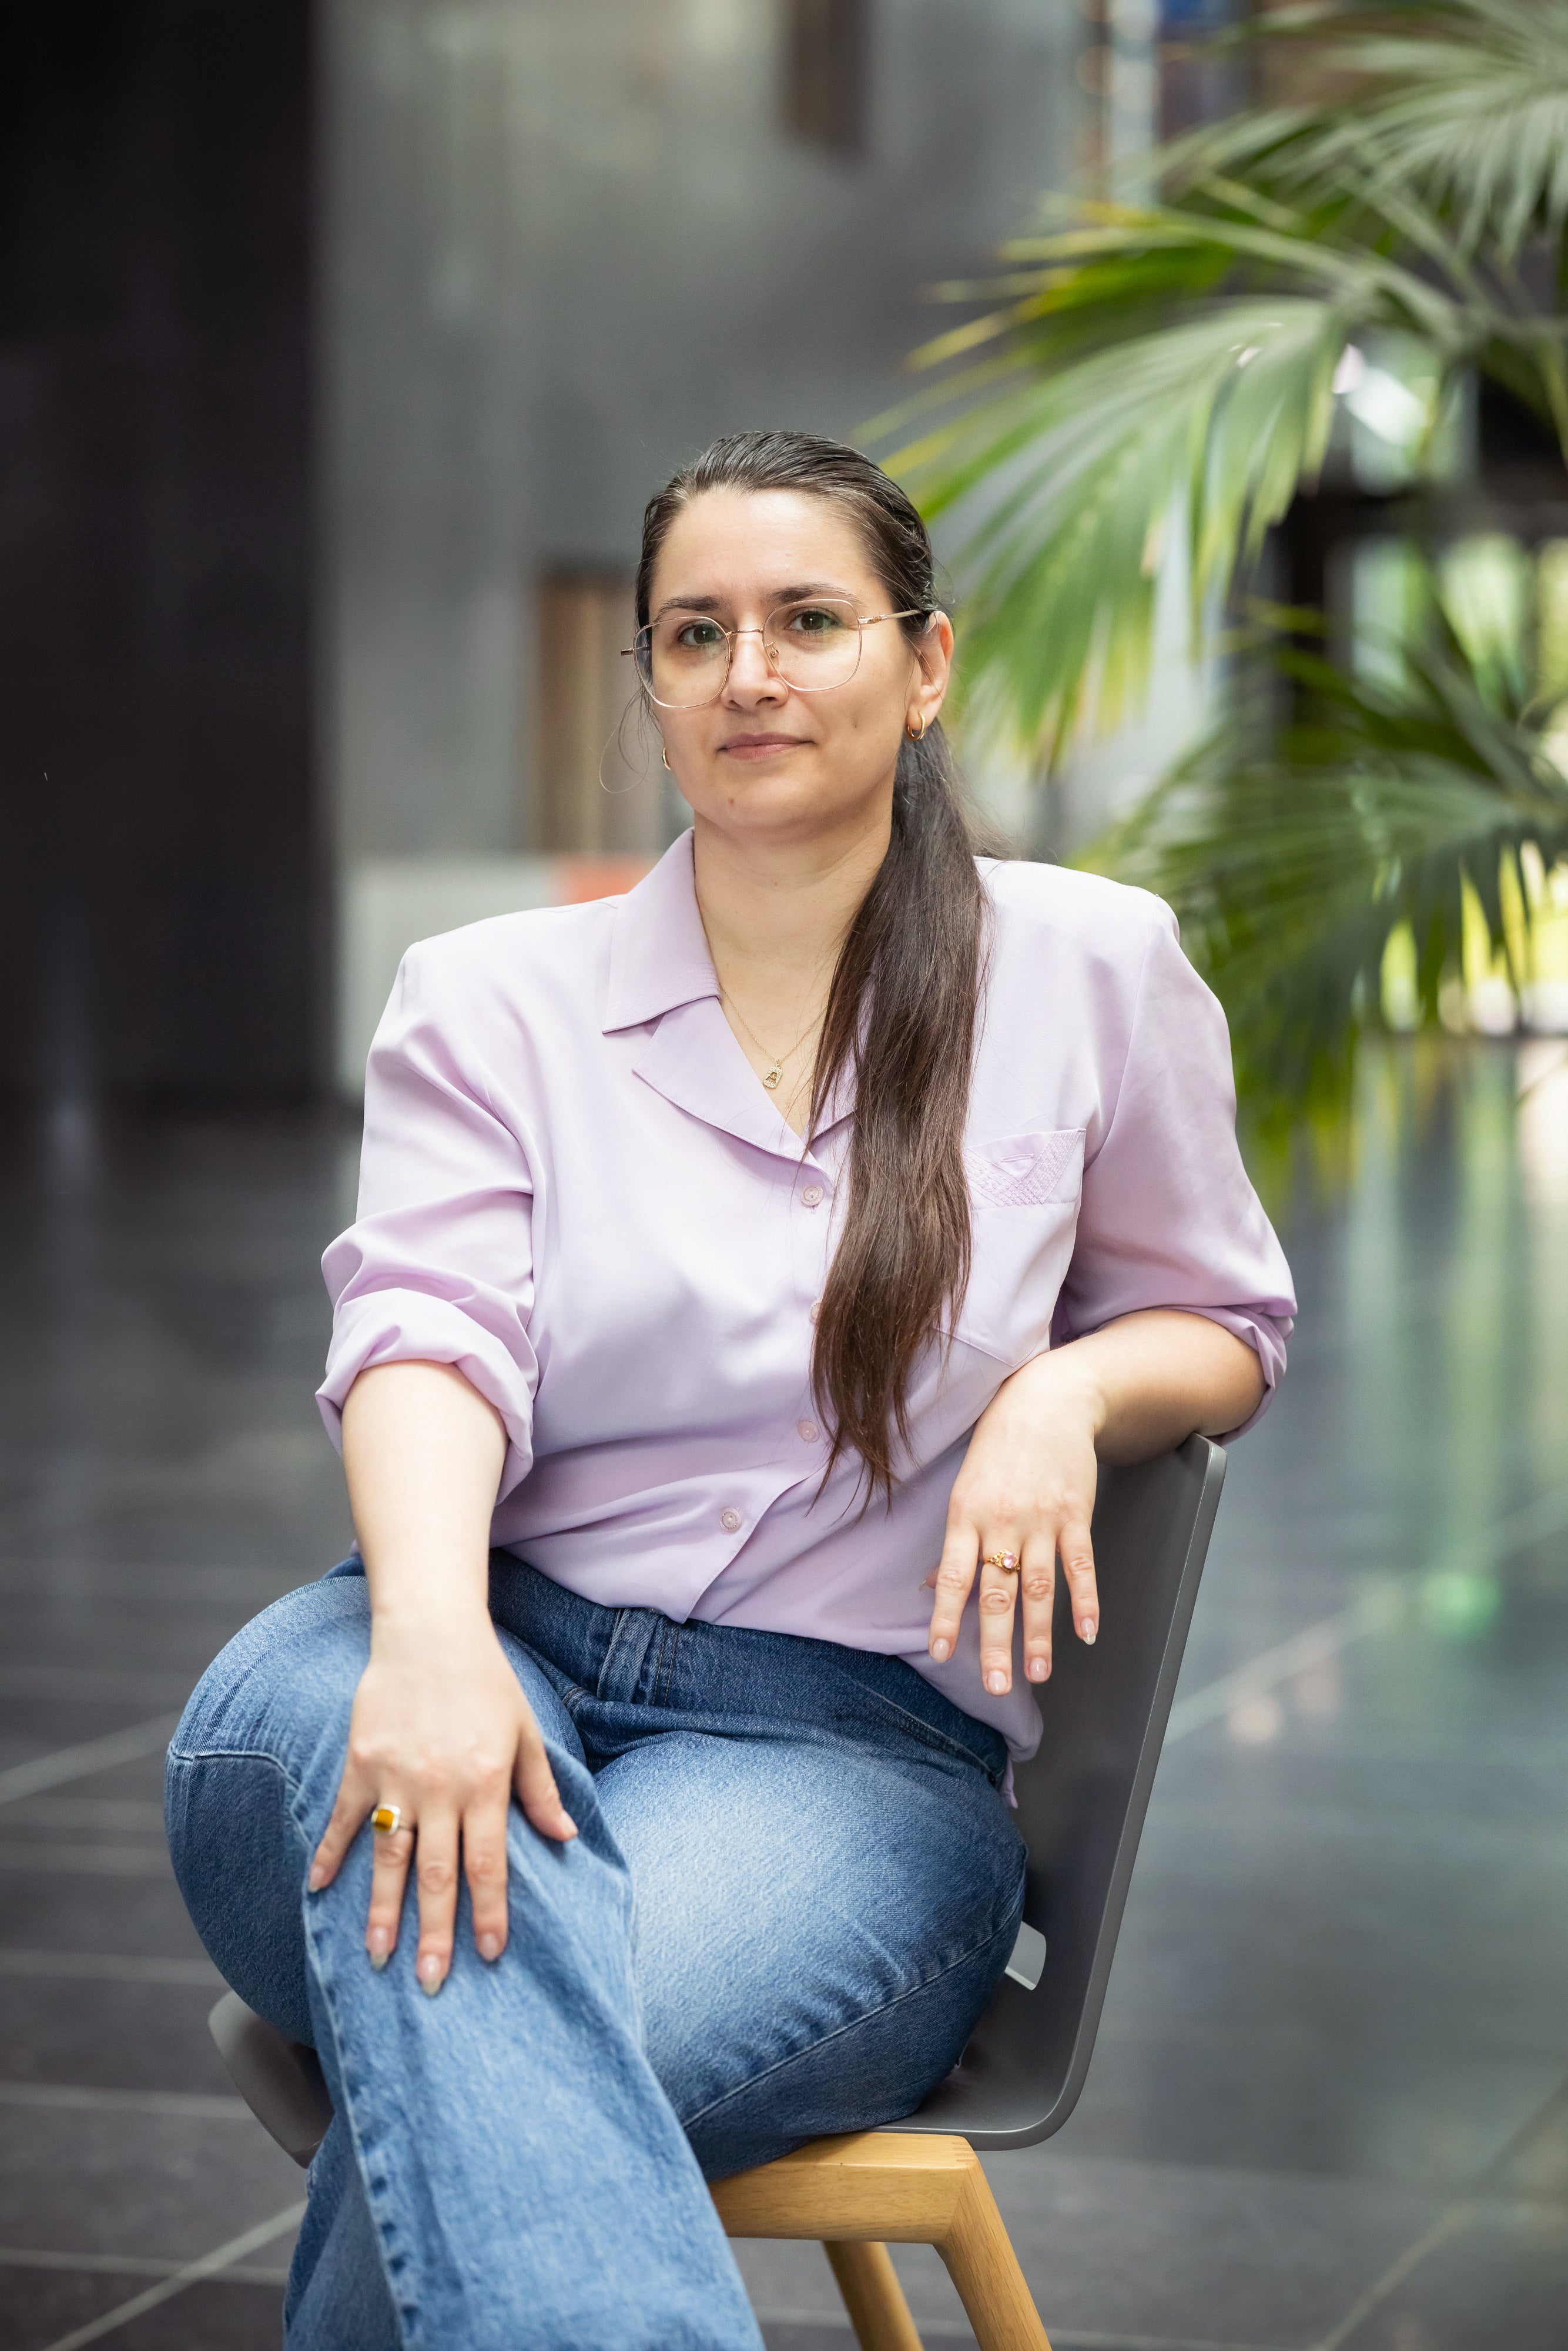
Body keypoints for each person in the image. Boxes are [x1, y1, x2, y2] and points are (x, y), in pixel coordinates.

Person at [166, 430, 1295, 2349]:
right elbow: (426, 1333)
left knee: (483, 2022)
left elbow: (1220, 1322)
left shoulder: (1090, 970)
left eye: (806, 622)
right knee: (444, 1895)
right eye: (695, 634)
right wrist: (429, 1653)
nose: (747, 673)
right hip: (450, 1643)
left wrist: (1066, 1395)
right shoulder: (490, 997)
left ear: (923, 665)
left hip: (841, 1761)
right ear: (653, 682)